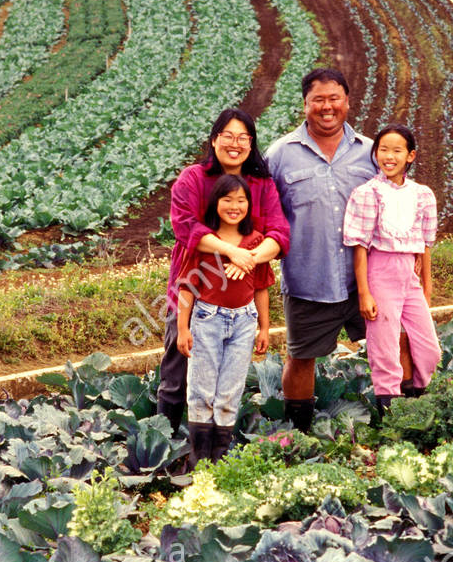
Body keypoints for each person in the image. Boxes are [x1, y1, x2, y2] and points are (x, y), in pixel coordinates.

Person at [159, 108, 290, 434]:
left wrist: (251, 258)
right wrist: (232, 251)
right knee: (177, 366)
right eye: (227, 136)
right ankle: (165, 442)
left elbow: (279, 233)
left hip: (241, 298)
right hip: (194, 286)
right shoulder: (193, 179)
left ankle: (211, 450)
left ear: (252, 143)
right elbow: (185, 227)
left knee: (227, 379)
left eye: (243, 138)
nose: (235, 144)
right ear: (214, 139)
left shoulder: (262, 185)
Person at [264, 68, 377, 433]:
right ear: (305, 105)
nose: (327, 107)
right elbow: (267, 216)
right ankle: (300, 432)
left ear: (347, 102)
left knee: (391, 347)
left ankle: (397, 418)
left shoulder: (371, 152)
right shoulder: (280, 155)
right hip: (308, 279)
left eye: (334, 99)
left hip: (367, 281)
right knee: (300, 358)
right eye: (319, 100)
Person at [343, 124, 440, 416]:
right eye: (383, 149)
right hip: (379, 274)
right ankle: (392, 416)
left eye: (397, 150)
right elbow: (358, 246)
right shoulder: (367, 193)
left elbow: (425, 246)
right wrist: (364, 293)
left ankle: (417, 402)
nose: (389, 156)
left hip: (408, 276)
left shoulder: (422, 195)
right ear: (375, 154)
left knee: (429, 349)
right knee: (384, 350)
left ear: (410, 156)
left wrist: (427, 285)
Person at [175, 175, 274, 462]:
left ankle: (220, 460)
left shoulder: (256, 242)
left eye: (241, 200)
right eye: (227, 199)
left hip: (245, 322)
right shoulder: (207, 242)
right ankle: (198, 460)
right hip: (207, 319)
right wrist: (183, 328)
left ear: (249, 205)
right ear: (215, 203)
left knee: (230, 391)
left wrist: (264, 328)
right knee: (201, 390)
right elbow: (187, 288)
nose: (234, 206)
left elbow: (261, 288)